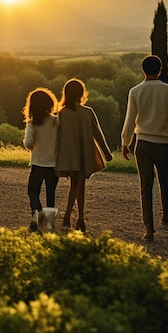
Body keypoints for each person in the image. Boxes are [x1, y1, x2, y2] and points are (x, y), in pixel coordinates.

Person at [121, 55, 168, 243]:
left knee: (145, 186)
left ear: (143, 70)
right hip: (162, 144)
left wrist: (125, 143)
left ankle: (149, 229)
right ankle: (166, 215)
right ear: (160, 70)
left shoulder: (135, 91)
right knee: (164, 181)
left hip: (142, 144)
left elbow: (129, 120)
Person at [56, 78, 112, 232]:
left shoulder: (62, 113)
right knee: (78, 185)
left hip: (69, 154)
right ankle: (69, 216)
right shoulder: (88, 112)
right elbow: (98, 134)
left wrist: (57, 156)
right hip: (85, 153)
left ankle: (79, 218)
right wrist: (107, 153)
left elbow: (58, 137)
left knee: (77, 185)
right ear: (81, 94)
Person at [22, 88, 60, 232]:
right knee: (51, 194)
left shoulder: (32, 123)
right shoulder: (57, 121)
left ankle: (37, 218)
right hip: (54, 165)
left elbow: (28, 144)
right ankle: (48, 224)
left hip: (38, 164)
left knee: (33, 192)